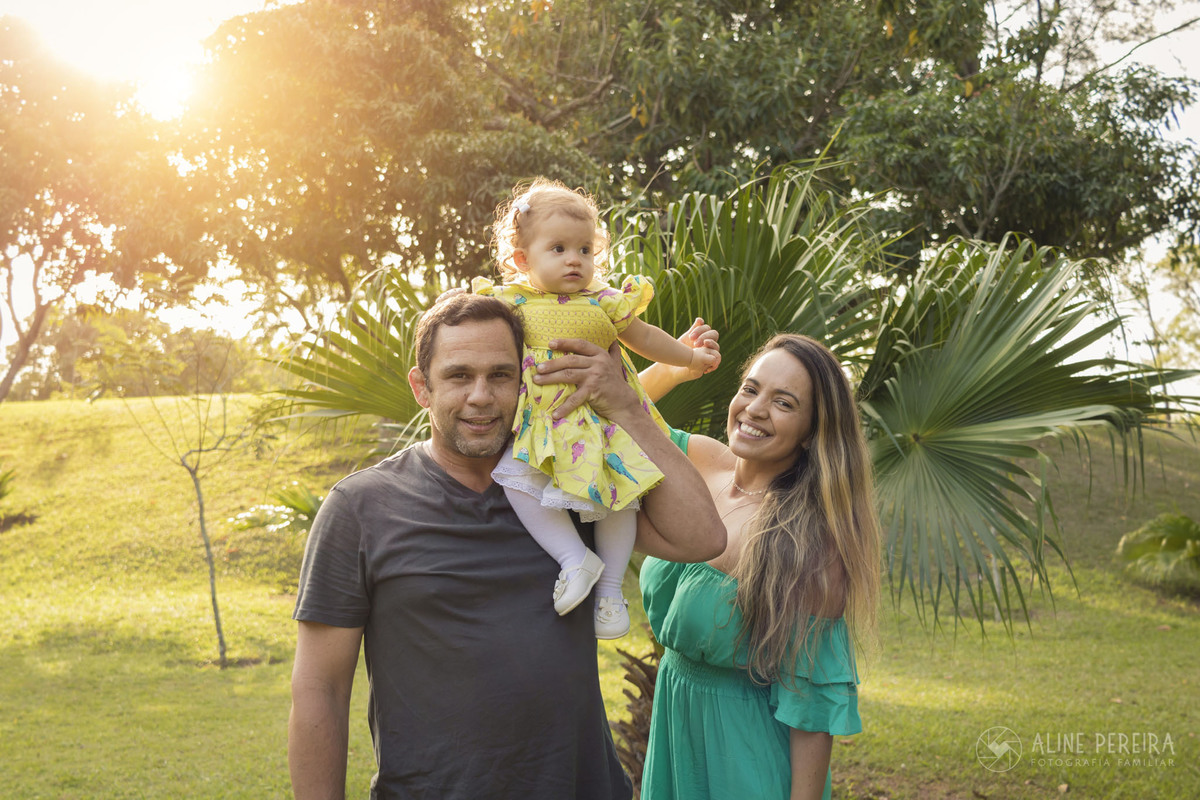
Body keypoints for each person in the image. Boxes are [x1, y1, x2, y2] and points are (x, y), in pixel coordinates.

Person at [287, 292, 726, 800]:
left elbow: (703, 537)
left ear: (525, 379)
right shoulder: (361, 508)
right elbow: (321, 688)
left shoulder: (570, 481)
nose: (481, 395)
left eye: (500, 375)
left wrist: (627, 404)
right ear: (420, 388)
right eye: (458, 376)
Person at [635, 334, 881, 800]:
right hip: (674, 739)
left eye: (784, 403)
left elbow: (811, 716)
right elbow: (618, 418)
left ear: (812, 431)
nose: (755, 409)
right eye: (750, 389)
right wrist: (676, 367)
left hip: (745, 764)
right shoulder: (701, 461)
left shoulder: (809, 541)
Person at [473, 178, 719, 639]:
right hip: (544, 425)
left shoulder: (605, 301)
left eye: (585, 250)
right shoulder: (510, 303)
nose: (574, 260)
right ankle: (574, 558)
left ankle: (609, 588)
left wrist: (689, 357)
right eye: (560, 248)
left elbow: (645, 339)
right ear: (523, 260)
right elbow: (475, 333)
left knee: (618, 497)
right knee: (516, 479)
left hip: (602, 426)